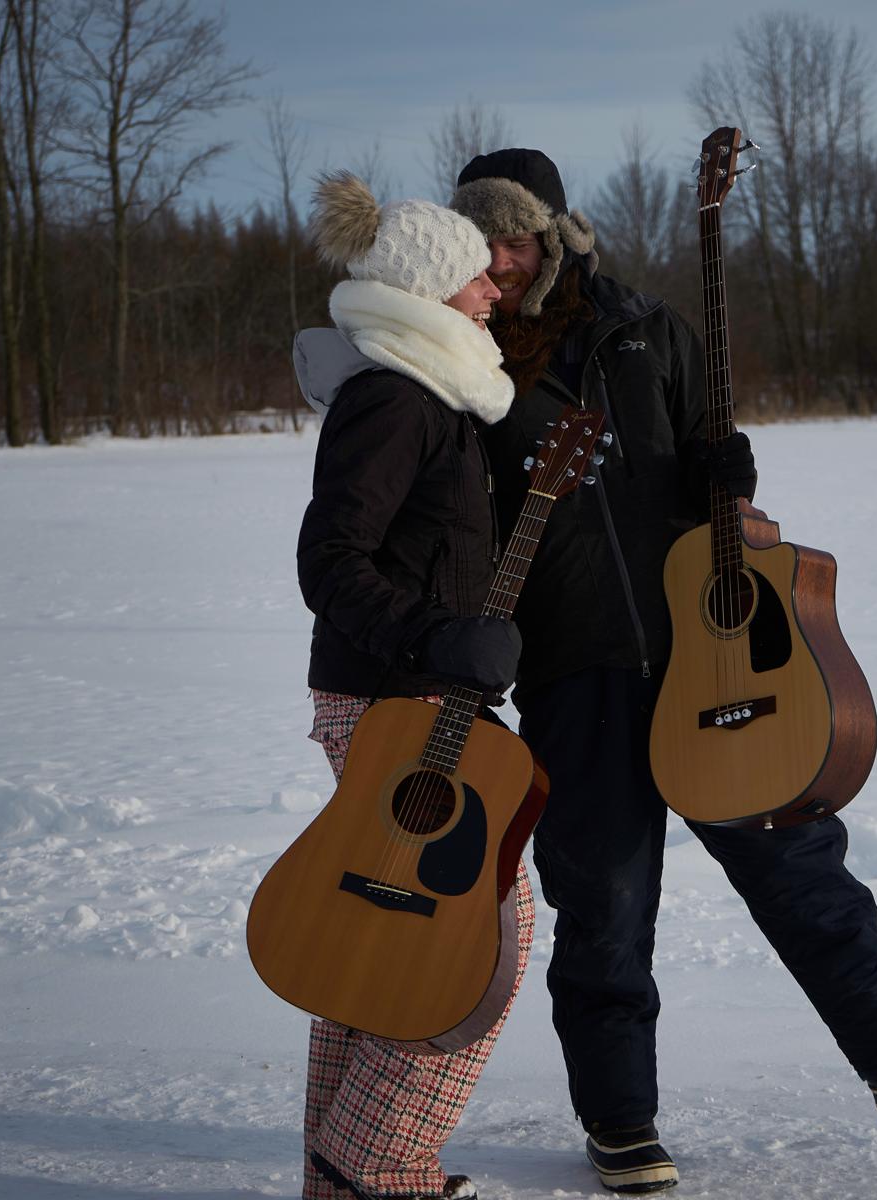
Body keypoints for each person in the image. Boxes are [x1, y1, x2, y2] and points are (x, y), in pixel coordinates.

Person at [450, 149, 877, 1195]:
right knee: (605, 902)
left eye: (513, 235)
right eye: (479, 241)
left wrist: (727, 478)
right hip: (574, 666)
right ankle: (620, 1123)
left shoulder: (648, 333)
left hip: (703, 657)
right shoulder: (466, 362)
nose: (500, 259)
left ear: (557, 233)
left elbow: (709, 463)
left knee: (795, 859)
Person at [290, 170, 527, 1200]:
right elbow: (330, 559)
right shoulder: (393, 396)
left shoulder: (437, 393)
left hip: (415, 693)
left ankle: (339, 1175)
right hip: (393, 699)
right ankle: (379, 1157)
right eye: (477, 280)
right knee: (478, 939)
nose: (494, 295)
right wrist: (438, 637)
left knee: (375, 933)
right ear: (433, 291)